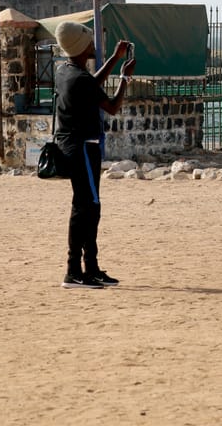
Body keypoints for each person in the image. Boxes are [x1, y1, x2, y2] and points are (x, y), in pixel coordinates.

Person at [54, 21, 136, 289]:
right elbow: (111, 107)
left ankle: (91, 268)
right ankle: (74, 272)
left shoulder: (65, 71)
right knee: (87, 208)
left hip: (74, 146)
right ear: (81, 46)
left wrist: (114, 58)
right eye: (89, 41)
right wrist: (125, 78)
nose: (93, 45)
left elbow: (91, 84)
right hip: (82, 148)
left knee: (89, 207)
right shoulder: (78, 78)